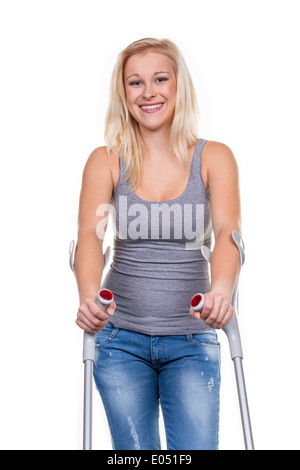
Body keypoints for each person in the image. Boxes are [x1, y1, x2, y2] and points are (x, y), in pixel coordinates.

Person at [74, 38, 241, 450]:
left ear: (179, 85)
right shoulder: (107, 159)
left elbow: (227, 234)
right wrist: (89, 298)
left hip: (192, 338)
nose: (148, 92)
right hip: (120, 341)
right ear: (123, 93)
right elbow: (90, 237)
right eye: (135, 82)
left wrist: (221, 292)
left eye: (160, 79)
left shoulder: (214, 157)